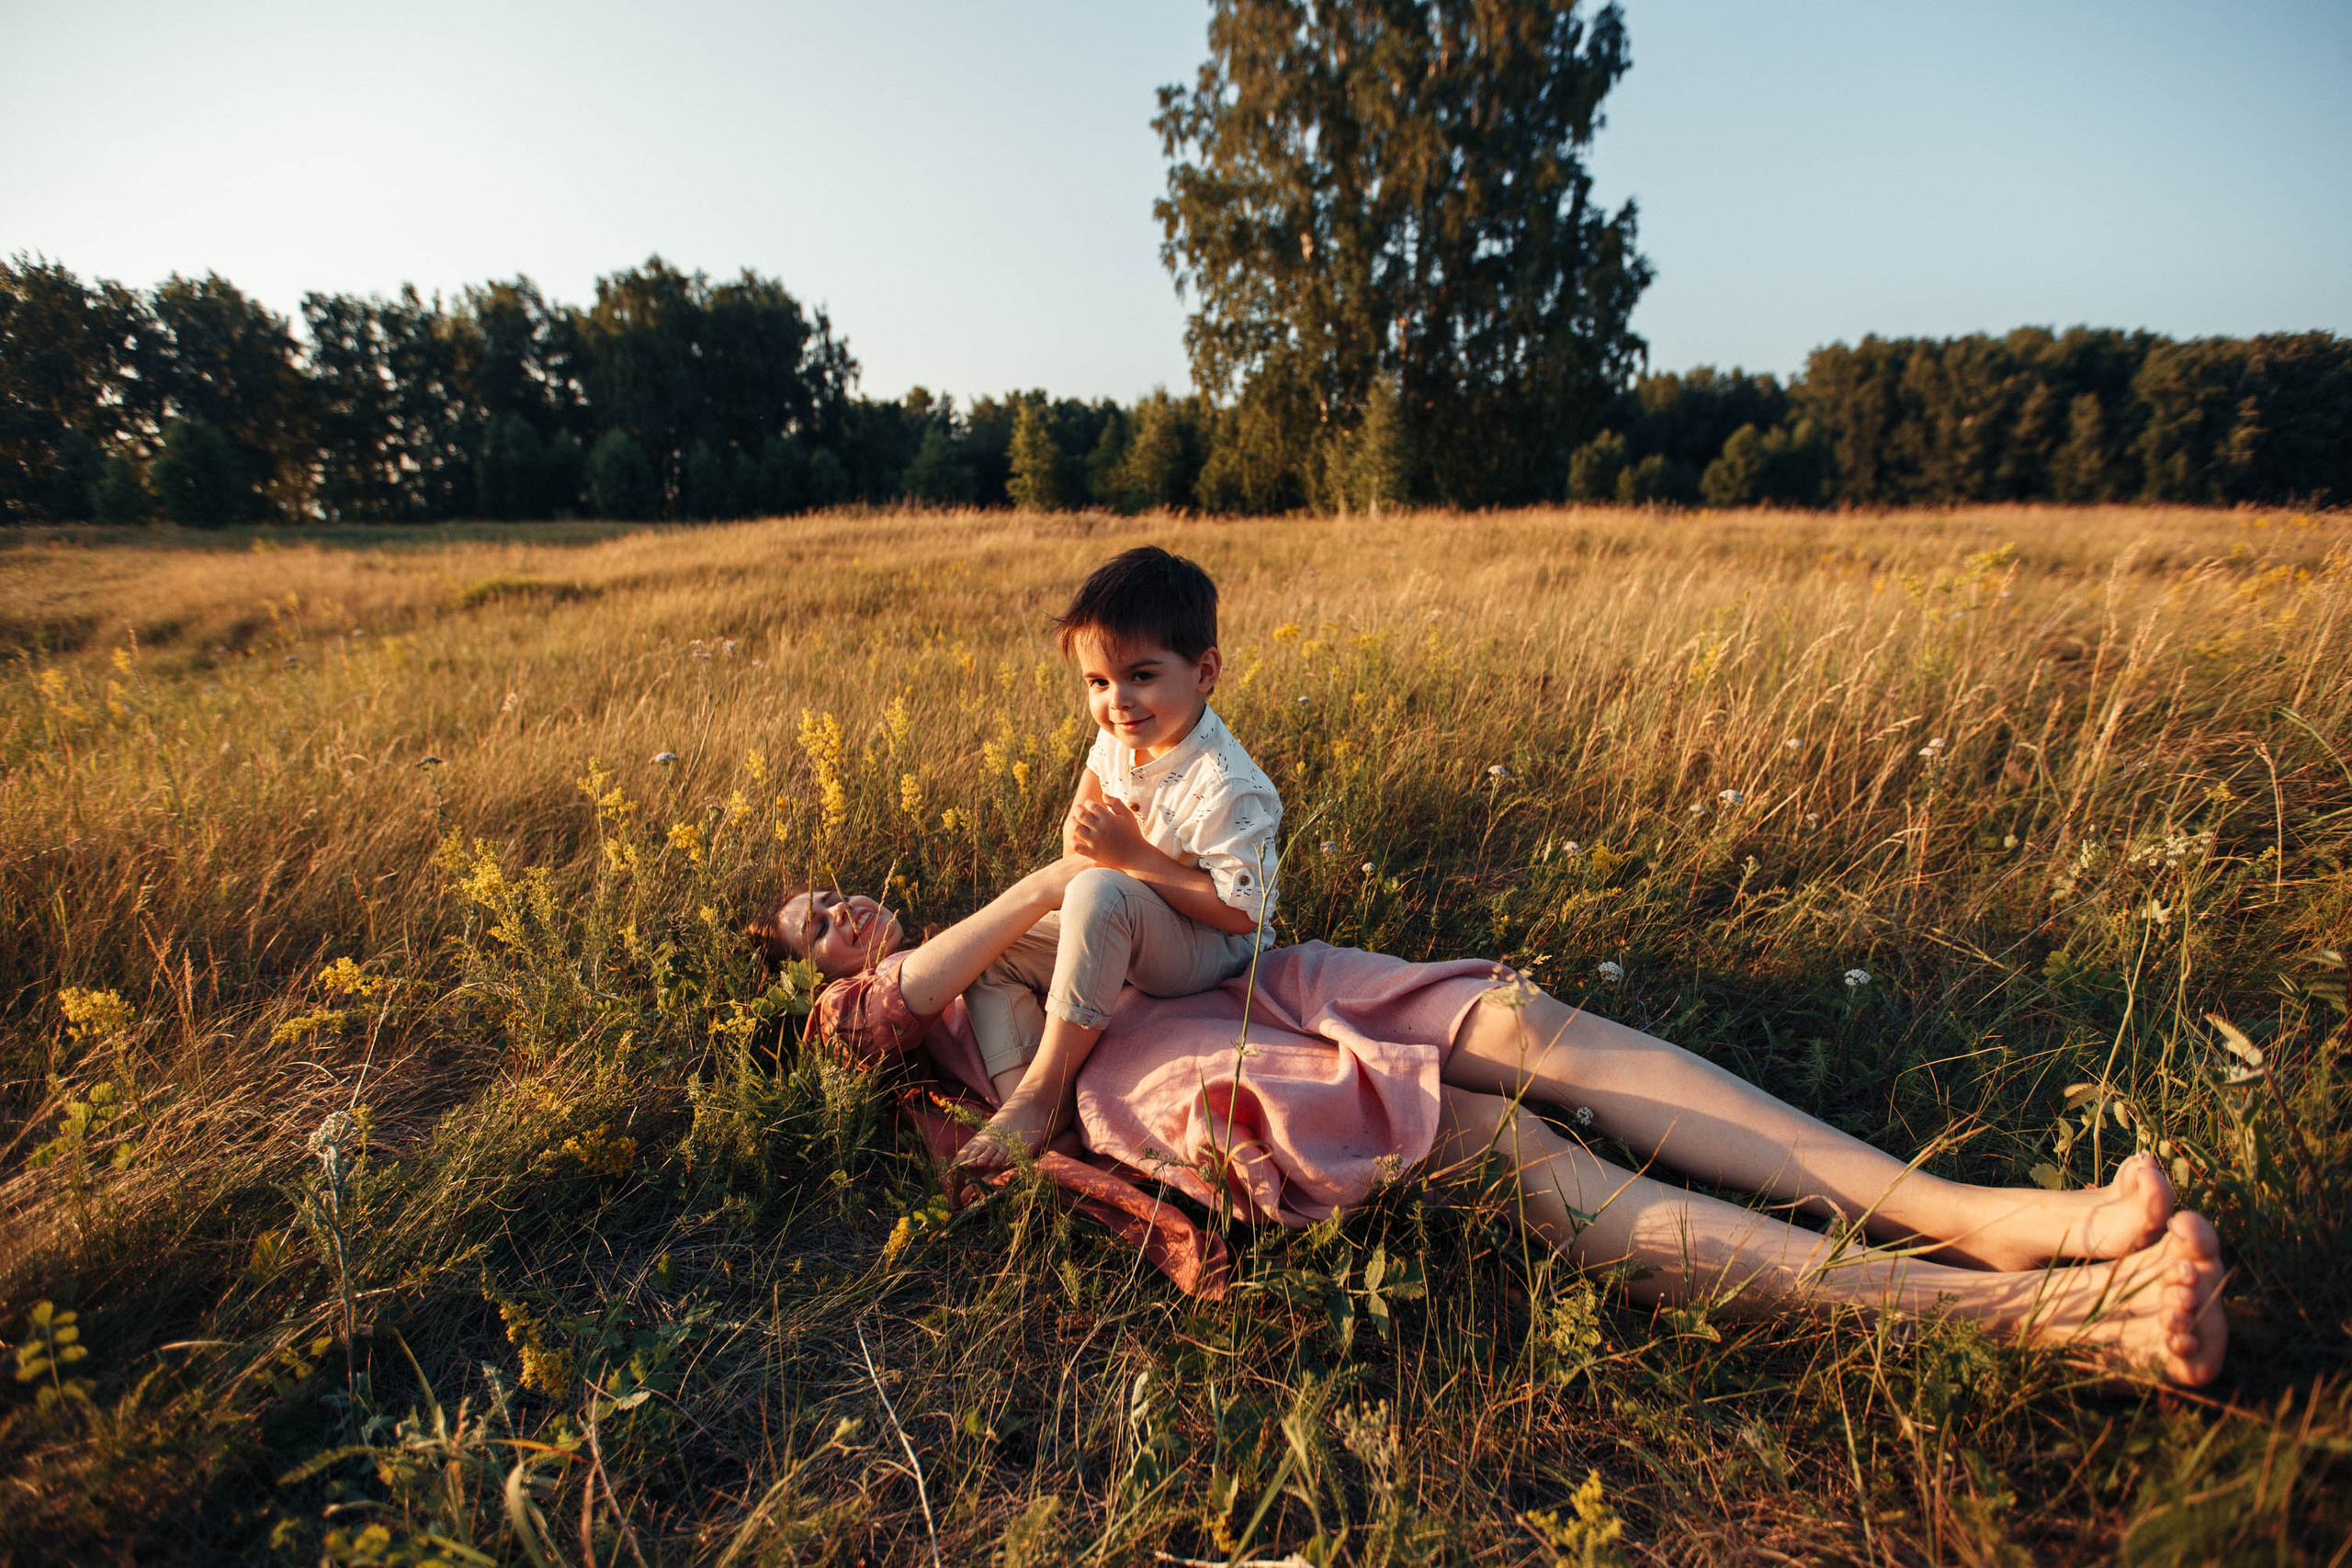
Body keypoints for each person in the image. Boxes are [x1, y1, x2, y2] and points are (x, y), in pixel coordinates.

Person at [752, 877, 2229, 1389]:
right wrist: (951, 966)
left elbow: (1123, 899)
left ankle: (1974, 1204)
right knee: (1513, 1153)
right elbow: (1041, 1067)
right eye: (817, 928)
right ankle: (2027, 1314)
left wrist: (987, 923)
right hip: (1172, 1072)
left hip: (1260, 980)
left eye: (838, 894)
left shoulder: (962, 925)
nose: (845, 915)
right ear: (819, 980)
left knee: (1537, 1030)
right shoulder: (908, 1019)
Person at [953, 546, 1283, 1181]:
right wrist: (1088, 842)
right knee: (995, 950)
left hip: (1211, 945)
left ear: (1206, 670)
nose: (1118, 701)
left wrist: (1131, 857)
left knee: (1101, 891)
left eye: (1142, 675)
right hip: (1133, 916)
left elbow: (1242, 913)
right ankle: (1026, 1099)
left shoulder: (1227, 783)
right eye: (1098, 683)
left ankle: (1047, 1088)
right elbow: (1084, 822)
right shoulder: (1118, 736)